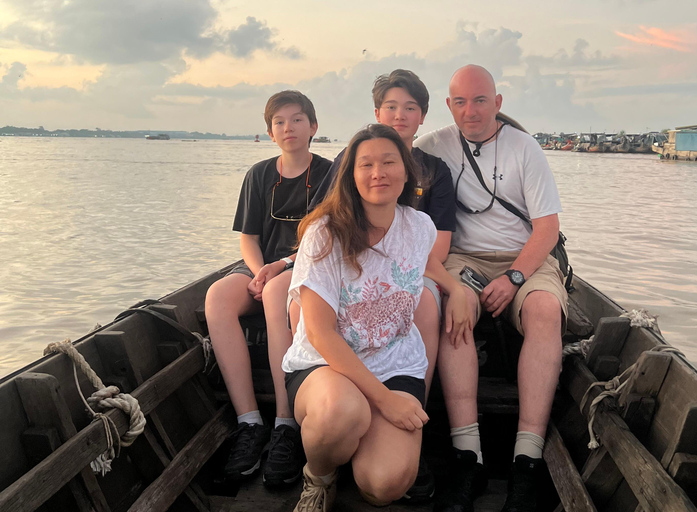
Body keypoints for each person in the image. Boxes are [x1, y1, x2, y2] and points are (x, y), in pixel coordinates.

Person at [282, 124, 470, 512]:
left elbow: (425, 263)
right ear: (351, 176)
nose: (377, 172)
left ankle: (353, 449)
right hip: (325, 365)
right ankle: (320, 475)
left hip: (394, 363)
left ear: (407, 172)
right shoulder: (325, 233)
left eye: (388, 162)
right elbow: (318, 332)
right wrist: (384, 401)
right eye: (365, 164)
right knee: (341, 412)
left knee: (385, 484)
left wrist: (458, 288)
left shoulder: (420, 227)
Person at [413, 65, 569, 512]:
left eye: (480, 100)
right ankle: (469, 456)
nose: (470, 110)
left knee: (543, 311)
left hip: (525, 259)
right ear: (448, 106)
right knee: (449, 307)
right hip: (463, 260)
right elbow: (389, 157)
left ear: (497, 103)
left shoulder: (525, 148)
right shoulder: (435, 145)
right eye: (460, 101)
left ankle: (528, 458)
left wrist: (515, 277)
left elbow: (547, 229)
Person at [204, 90, 332, 487]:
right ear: (269, 132)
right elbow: (249, 237)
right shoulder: (259, 175)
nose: (288, 128)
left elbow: (330, 238)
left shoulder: (331, 173)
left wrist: (279, 271)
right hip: (262, 267)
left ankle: (285, 422)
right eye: (279, 122)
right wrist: (259, 272)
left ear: (313, 126)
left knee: (278, 294)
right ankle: (248, 421)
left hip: (307, 266)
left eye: (296, 120)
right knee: (217, 298)